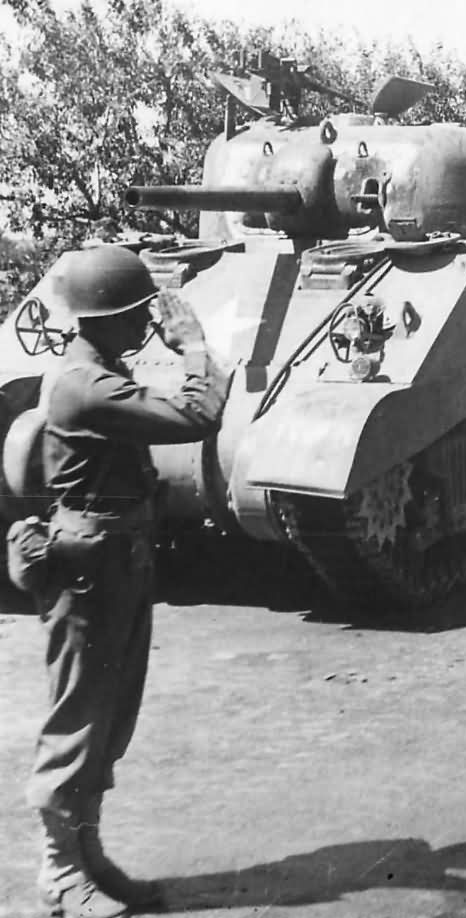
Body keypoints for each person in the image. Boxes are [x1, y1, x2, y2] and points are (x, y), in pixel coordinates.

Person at [27, 245, 233, 918]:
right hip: (89, 568)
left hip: (116, 560)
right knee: (78, 721)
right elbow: (198, 416)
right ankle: (61, 876)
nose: (149, 321)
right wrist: (194, 346)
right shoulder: (87, 385)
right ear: (107, 319)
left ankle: (88, 857)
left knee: (108, 721)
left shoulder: (101, 372)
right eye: (138, 311)